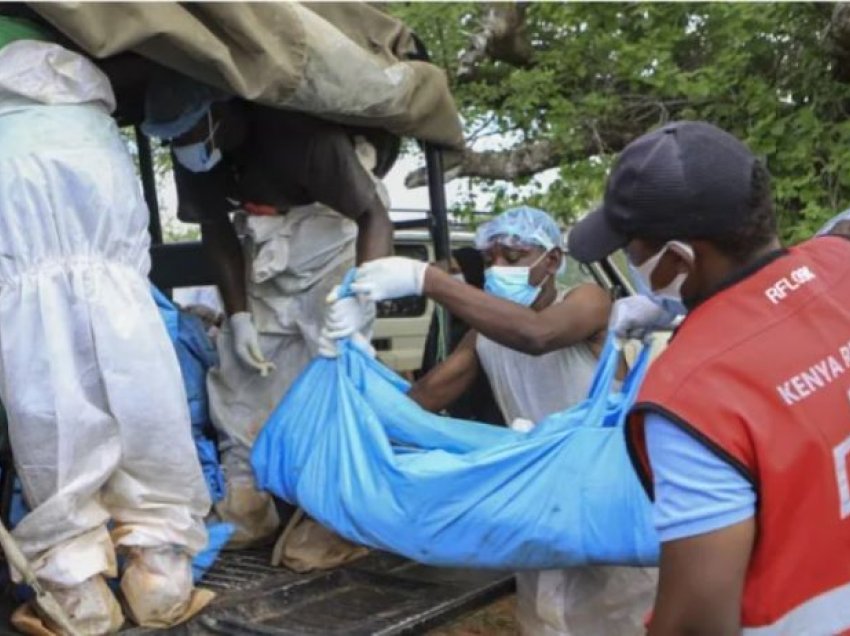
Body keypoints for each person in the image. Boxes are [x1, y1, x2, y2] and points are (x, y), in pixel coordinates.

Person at [568, 120, 850, 634]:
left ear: (678, 259)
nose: (629, 263)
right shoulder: (841, 263)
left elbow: (696, 623)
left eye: (631, 250)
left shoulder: (691, 395)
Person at [331, 206, 657, 635]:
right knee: (548, 619)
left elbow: (537, 335)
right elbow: (428, 394)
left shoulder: (587, 302)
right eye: (491, 259)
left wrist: (428, 281)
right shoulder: (484, 335)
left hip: (607, 501)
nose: (499, 268)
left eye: (513, 256)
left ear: (552, 261)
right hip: (539, 505)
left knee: (617, 617)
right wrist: (350, 418)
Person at [0, 23, 211, 634]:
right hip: (90, 142)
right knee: (133, 349)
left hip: (8, 156)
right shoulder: (72, 13)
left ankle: (78, 593)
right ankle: (162, 576)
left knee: (44, 377)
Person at [143, 70, 394, 552]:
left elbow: (373, 216)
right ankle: (247, 503)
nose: (184, 146)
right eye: (173, 139)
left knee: (334, 365)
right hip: (267, 246)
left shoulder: (301, 137)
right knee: (242, 372)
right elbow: (215, 232)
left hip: (336, 237)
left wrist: (363, 298)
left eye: (191, 133)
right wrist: (237, 319)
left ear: (222, 112)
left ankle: (339, 512)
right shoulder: (193, 151)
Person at [418, 247, 504, 425]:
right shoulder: (442, 315)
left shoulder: (485, 320)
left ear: (472, 273)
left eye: (455, 272)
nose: (450, 278)